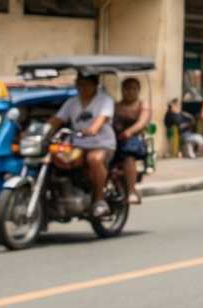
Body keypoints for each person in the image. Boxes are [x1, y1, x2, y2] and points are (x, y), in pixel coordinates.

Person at [54, 73, 117, 217]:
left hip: (102, 143)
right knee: (56, 157)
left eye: (86, 84)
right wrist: (40, 131)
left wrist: (91, 129)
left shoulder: (105, 101)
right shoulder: (71, 102)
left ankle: (100, 200)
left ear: (95, 85)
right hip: (78, 144)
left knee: (94, 159)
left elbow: (101, 120)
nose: (82, 88)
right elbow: (56, 120)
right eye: (79, 84)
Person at [110, 77, 150, 205]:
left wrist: (130, 132)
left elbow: (142, 122)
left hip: (133, 139)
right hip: (113, 138)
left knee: (128, 154)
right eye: (127, 88)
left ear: (138, 90)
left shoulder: (143, 105)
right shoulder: (115, 106)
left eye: (133, 89)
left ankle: (131, 190)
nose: (130, 91)